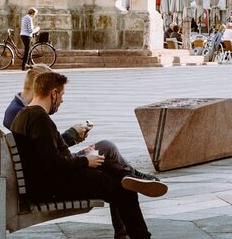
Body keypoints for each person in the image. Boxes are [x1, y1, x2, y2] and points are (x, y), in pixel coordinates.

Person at [10, 72, 158, 239]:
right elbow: (52, 163)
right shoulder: (39, 118)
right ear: (54, 94)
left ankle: (128, 176)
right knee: (124, 191)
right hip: (52, 187)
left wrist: (83, 159)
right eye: (62, 95)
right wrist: (84, 161)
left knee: (107, 164)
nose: (62, 101)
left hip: (45, 181)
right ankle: (141, 234)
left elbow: (46, 157)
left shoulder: (24, 114)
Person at [3, 64, 163, 186]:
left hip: (56, 166)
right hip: (55, 175)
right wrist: (80, 152)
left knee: (106, 149)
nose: (62, 99)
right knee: (109, 163)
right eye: (60, 93)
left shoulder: (24, 110)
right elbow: (47, 157)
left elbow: (44, 147)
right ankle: (132, 178)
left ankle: (132, 177)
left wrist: (76, 142)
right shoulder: (29, 114)